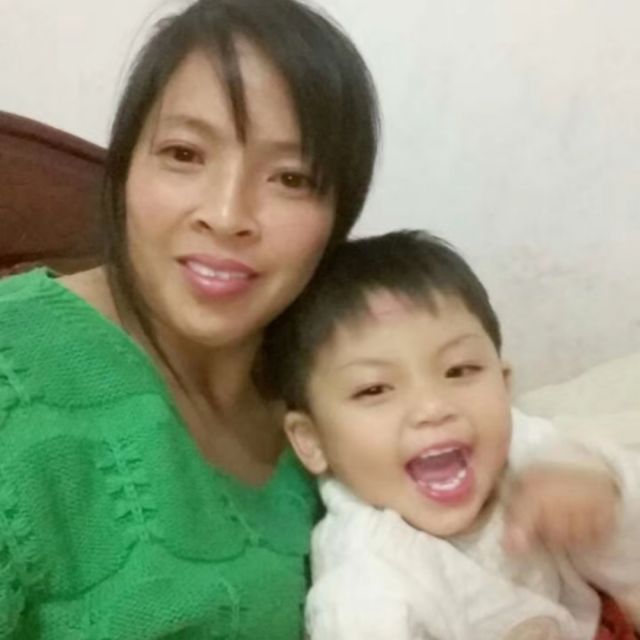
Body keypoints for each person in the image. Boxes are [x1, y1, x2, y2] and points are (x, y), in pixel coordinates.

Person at [0, 0, 379, 637]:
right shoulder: (14, 370)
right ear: (126, 169)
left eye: (290, 178)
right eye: (183, 153)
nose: (227, 215)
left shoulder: (337, 378)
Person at [265, 230, 640, 639]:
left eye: (459, 370)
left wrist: (603, 492)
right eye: (374, 389)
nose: (433, 407)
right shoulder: (367, 593)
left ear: (504, 385)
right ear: (312, 440)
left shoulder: (527, 451)